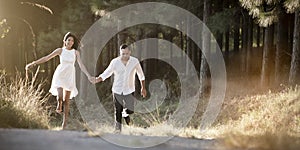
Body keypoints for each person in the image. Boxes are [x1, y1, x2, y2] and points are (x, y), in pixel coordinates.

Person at [25, 32, 93, 129]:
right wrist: (33, 63)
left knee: (67, 101)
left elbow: (81, 65)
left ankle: (64, 124)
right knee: (60, 96)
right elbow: (46, 58)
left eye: (72, 40)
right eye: (68, 40)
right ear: (64, 41)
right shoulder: (60, 50)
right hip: (60, 74)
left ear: (74, 43)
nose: (70, 42)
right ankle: (59, 103)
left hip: (70, 76)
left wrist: (88, 75)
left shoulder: (75, 52)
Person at [93, 44, 147, 132]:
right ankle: (117, 130)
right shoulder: (115, 62)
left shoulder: (135, 61)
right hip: (117, 89)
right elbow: (107, 72)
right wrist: (98, 79)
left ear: (130, 52)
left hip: (129, 89)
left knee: (130, 110)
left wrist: (143, 88)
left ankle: (125, 114)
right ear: (120, 53)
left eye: (126, 53)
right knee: (118, 110)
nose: (125, 56)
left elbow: (141, 75)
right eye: (123, 54)